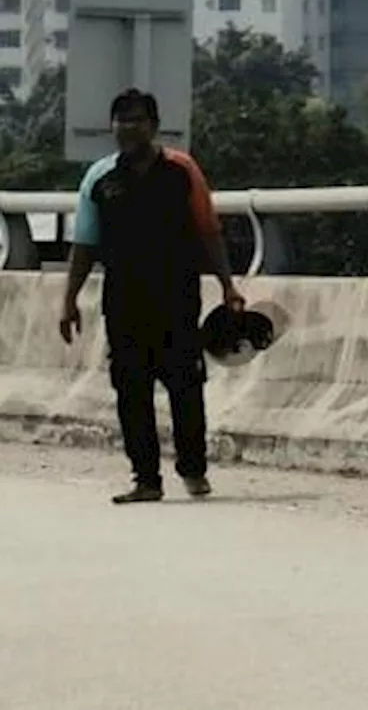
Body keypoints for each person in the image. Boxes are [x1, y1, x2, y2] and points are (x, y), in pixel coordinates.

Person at [59, 88, 246, 504]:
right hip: (123, 298)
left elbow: (208, 230)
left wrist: (227, 284)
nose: (129, 127)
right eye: (122, 120)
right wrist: (69, 299)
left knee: (185, 382)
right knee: (131, 387)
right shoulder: (100, 179)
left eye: (138, 120)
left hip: (177, 295)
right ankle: (145, 477)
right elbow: (85, 244)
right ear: (112, 127)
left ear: (154, 126)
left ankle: (193, 469)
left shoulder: (182, 170)